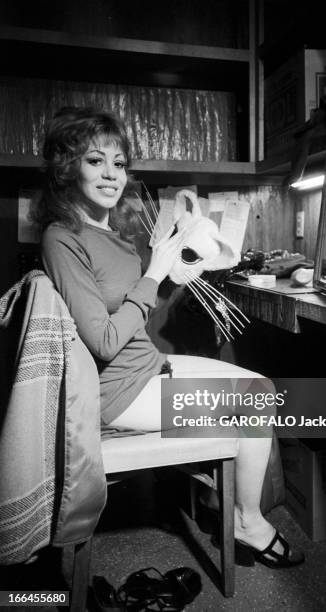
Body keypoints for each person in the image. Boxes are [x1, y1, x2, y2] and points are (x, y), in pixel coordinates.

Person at [37, 106, 304, 569]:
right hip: (120, 393)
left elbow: (132, 315)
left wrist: (169, 277)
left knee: (260, 387)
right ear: (67, 167)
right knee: (258, 398)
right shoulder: (62, 237)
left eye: (118, 163)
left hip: (146, 367)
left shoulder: (113, 234)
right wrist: (155, 273)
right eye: (94, 160)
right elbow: (102, 341)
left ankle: (233, 505)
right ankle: (248, 521)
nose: (110, 175)